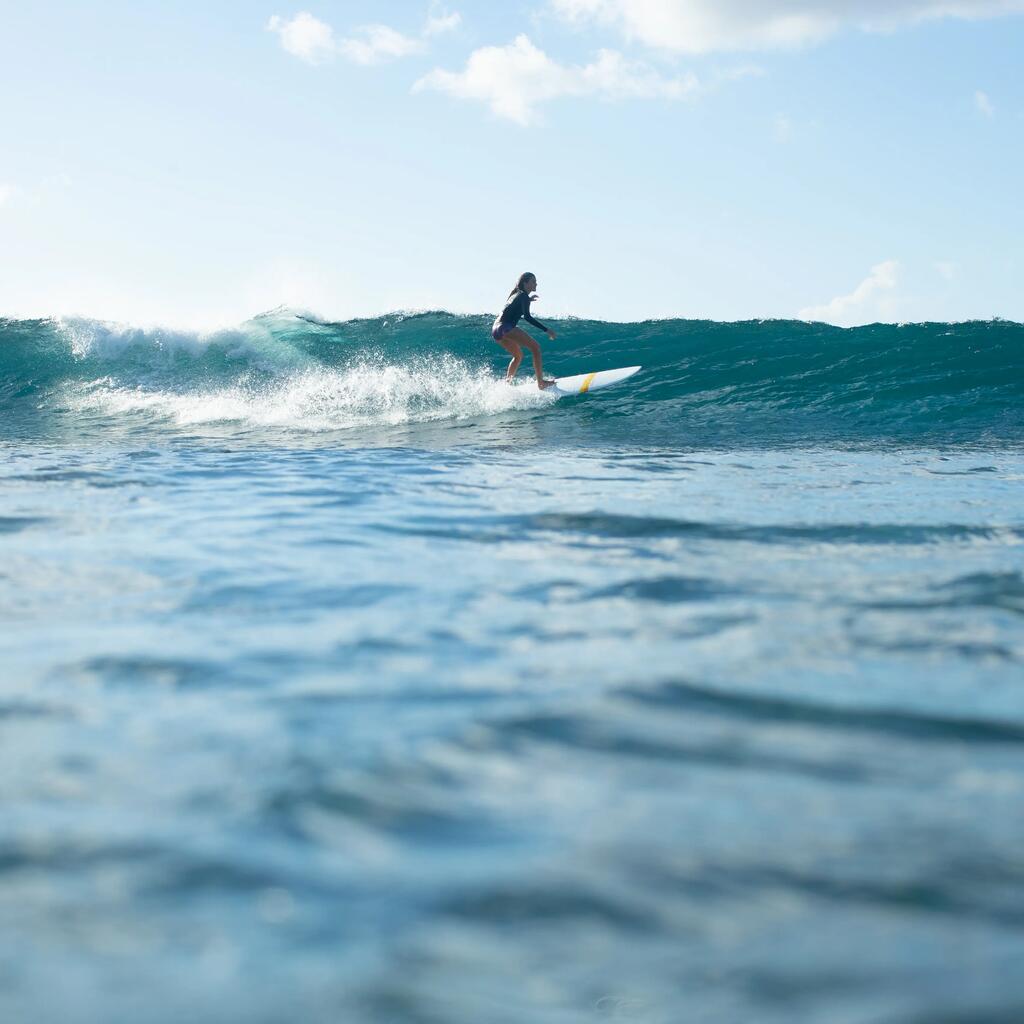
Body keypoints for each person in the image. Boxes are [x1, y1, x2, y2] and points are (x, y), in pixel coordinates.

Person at [492, 272, 557, 388]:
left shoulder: (517, 294)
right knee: (536, 348)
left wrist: (528, 301)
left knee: (518, 356)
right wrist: (547, 330)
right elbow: (527, 317)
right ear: (525, 283)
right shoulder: (523, 297)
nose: (536, 283)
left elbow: (513, 308)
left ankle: (507, 384)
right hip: (506, 327)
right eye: (533, 281)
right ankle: (541, 383)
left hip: (495, 329)